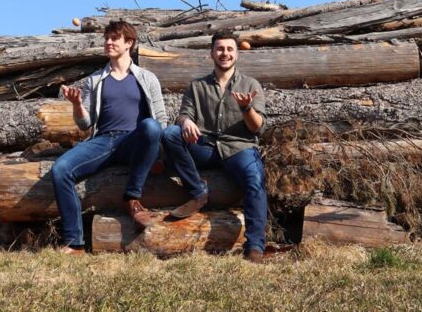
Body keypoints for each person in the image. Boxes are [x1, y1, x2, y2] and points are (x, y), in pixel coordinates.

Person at [53, 20, 168, 255]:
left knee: (151, 126)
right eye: (106, 38)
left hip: (134, 141)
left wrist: (156, 150)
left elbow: (161, 121)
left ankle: (132, 198)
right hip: (103, 141)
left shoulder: (147, 78)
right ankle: (75, 243)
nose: (108, 42)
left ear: (129, 43)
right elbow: (84, 124)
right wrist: (77, 104)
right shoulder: (95, 80)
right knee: (60, 169)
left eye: (114, 38)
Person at [161, 32, 268, 263]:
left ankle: (255, 246)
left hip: (238, 147)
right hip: (205, 146)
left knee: (255, 179)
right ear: (211, 53)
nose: (224, 54)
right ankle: (197, 191)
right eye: (220, 49)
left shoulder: (251, 84)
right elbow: (183, 115)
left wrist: (246, 108)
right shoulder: (197, 86)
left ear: (237, 54)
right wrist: (185, 122)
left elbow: (257, 128)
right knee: (170, 134)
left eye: (229, 49)